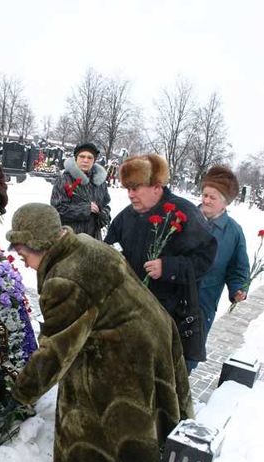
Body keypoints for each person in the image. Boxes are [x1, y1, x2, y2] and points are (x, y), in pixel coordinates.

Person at [6, 203, 193, 462]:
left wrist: (20, 393)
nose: (26, 264)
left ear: (39, 245)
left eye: (24, 256)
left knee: (82, 384)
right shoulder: (81, 243)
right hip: (151, 329)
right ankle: (155, 449)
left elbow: (56, 351)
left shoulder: (65, 278)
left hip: (127, 345)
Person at [104, 154, 217, 364]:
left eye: (135, 188)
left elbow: (205, 259)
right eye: (127, 188)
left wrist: (169, 267)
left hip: (166, 319)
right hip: (126, 316)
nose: (130, 195)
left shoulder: (184, 213)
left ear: (157, 186)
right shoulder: (126, 216)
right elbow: (108, 249)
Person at [187, 165, 250, 370]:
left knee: (187, 357)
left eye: (212, 197)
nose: (206, 200)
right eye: (205, 195)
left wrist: (238, 288)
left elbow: (238, 268)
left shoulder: (234, 232)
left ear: (225, 203)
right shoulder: (185, 218)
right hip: (172, 296)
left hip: (203, 304)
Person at [50, 142, 110, 239]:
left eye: (90, 158)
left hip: (93, 238)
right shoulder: (64, 179)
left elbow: (106, 205)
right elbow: (57, 209)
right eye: (82, 156)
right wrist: (85, 209)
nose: (86, 160)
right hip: (71, 237)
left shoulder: (100, 182)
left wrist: (103, 214)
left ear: (94, 161)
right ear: (76, 158)